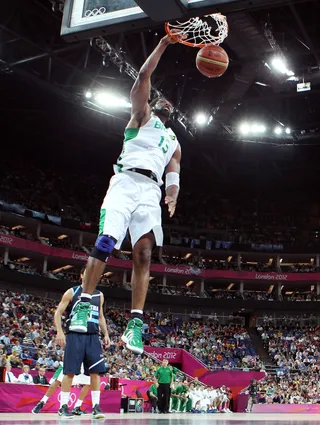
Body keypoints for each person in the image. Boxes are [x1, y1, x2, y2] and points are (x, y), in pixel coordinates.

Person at [69, 32, 182, 356]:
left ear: (172, 113)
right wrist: (163, 43)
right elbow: (143, 76)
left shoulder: (174, 141)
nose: (165, 102)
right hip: (125, 182)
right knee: (106, 242)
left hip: (151, 190)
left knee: (144, 254)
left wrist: (172, 195)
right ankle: (84, 302)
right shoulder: (141, 116)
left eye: (169, 103)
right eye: (161, 99)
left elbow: (173, 170)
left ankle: (135, 324)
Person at [54, 279, 111, 418]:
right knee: (69, 372)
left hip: (93, 336)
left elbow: (101, 317)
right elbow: (58, 312)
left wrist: (106, 334)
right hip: (75, 335)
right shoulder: (72, 292)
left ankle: (96, 407)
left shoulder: (99, 295)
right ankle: (63, 407)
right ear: (82, 275)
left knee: (95, 372)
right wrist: (59, 332)